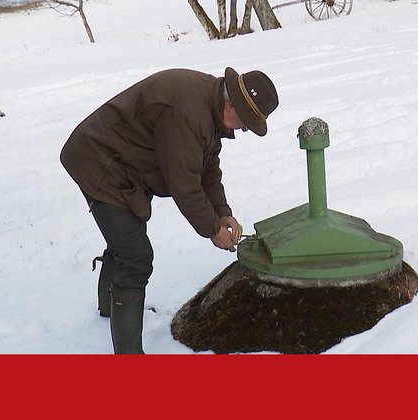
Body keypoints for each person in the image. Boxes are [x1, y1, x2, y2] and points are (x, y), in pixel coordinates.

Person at [60, 67, 279, 354]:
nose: (243, 129)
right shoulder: (187, 113)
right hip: (99, 160)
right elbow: (184, 183)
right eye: (245, 122)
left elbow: (207, 168)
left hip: (124, 164)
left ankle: (111, 310)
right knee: (135, 255)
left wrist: (222, 212)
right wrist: (212, 229)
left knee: (126, 239)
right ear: (230, 104)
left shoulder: (210, 109)